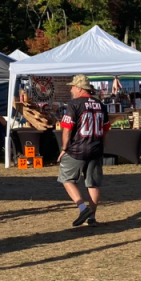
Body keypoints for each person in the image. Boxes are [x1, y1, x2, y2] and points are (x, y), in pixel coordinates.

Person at [58, 74, 108, 227]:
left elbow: (66, 129)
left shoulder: (74, 104)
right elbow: (106, 129)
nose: (71, 89)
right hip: (96, 148)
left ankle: (82, 208)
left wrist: (64, 148)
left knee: (66, 179)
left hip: (76, 149)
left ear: (79, 89)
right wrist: (101, 146)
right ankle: (92, 217)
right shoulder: (100, 104)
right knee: (93, 183)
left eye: (73, 86)